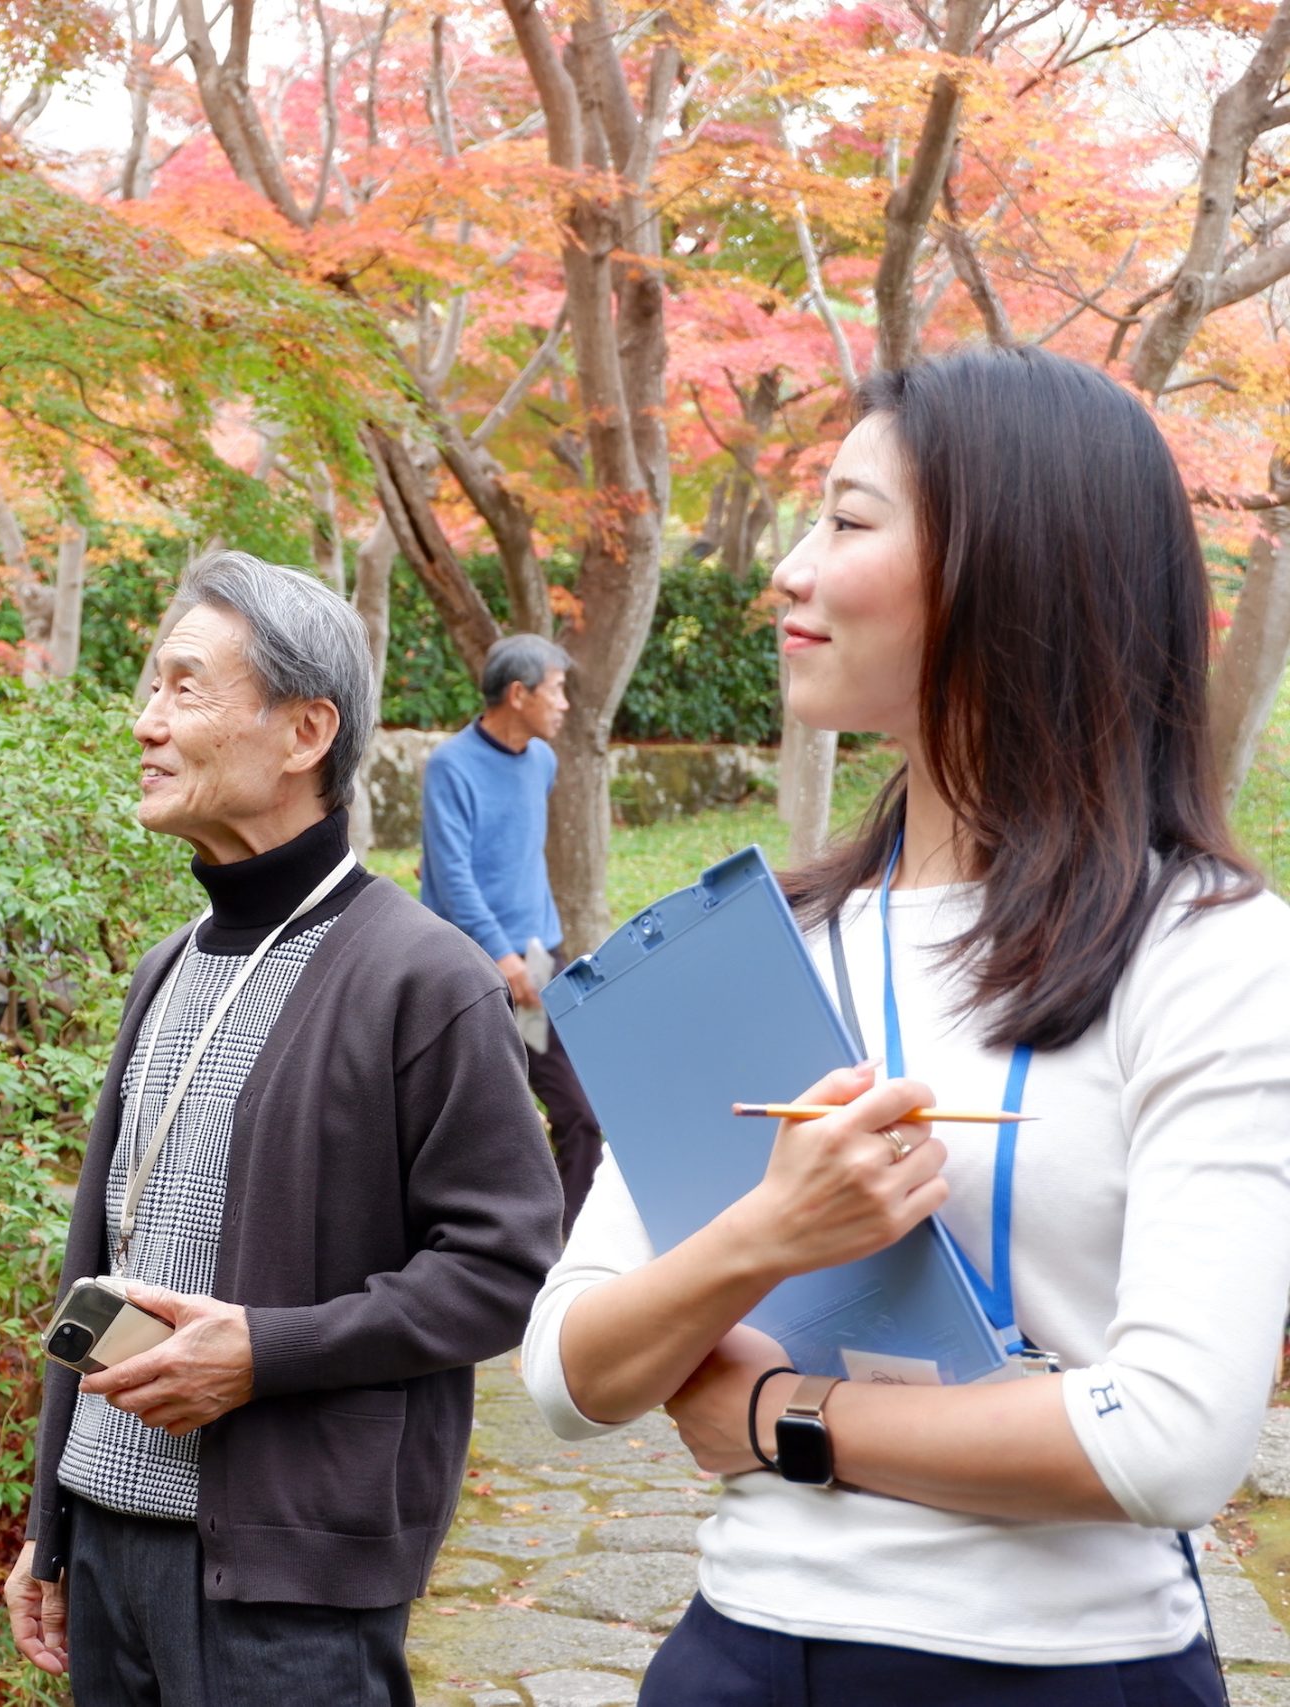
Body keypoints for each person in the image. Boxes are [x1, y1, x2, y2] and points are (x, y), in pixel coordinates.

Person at [521, 346, 1290, 1702]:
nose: (789, 571)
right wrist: (767, 1235)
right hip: (739, 1650)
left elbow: (1171, 1440)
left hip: (1063, 1669)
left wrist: (784, 1415)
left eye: (848, 521)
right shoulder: (761, 949)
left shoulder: (1206, 947)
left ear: (1011, 568)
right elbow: (566, 1371)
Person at [3, 551, 564, 1705]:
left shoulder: (421, 977)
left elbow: (502, 1268)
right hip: (105, 1549)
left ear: (305, 731)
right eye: (151, 688)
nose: (145, 722)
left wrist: (268, 1352)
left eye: (184, 687)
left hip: (285, 1583)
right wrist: (49, 1522)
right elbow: (100, 1260)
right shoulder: (166, 967)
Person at [418, 633, 605, 1235]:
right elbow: (454, 878)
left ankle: (565, 1253)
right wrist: (501, 954)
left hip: (538, 959)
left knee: (581, 1113)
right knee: (475, 1121)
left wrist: (528, 955)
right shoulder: (452, 766)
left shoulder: (543, 761)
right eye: (557, 689)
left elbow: (513, 856)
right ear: (519, 694)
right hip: (473, 969)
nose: (565, 703)